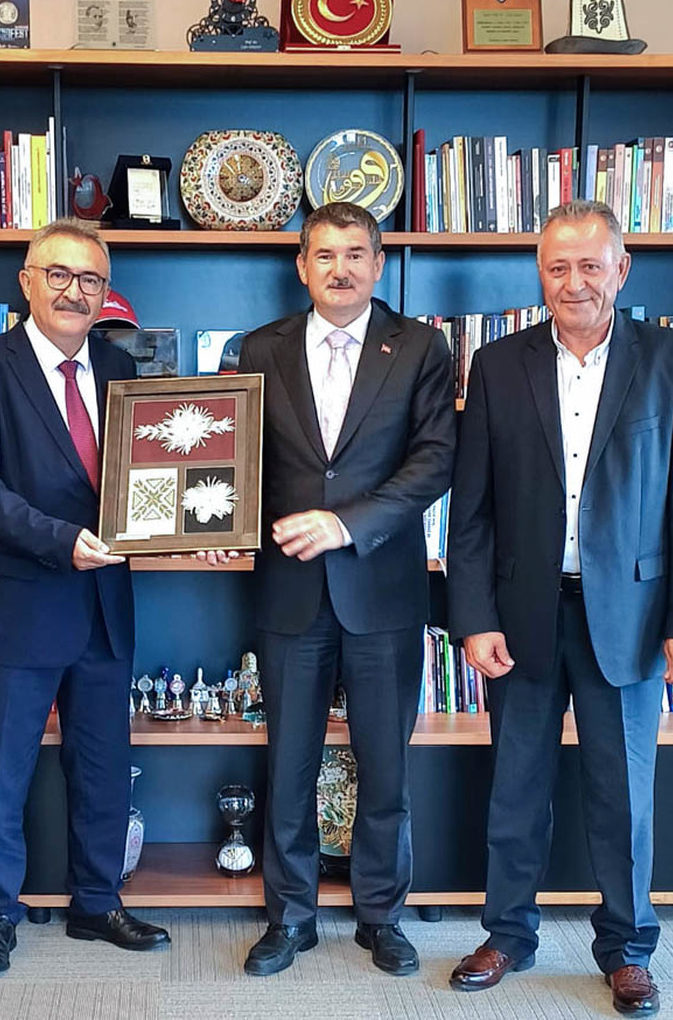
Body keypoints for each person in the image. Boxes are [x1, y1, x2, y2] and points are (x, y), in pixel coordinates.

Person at [445, 199, 673, 1014]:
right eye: (558, 267)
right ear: (541, 274)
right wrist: (473, 617)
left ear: (621, 270)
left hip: (631, 618)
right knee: (515, 791)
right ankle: (507, 935)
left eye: (590, 266)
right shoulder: (498, 364)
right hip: (521, 615)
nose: (574, 283)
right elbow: (472, 509)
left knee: (623, 797)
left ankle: (628, 950)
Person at [209, 202, 456, 977]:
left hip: (382, 590)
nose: (340, 269)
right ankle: (290, 918)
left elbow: (434, 461)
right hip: (289, 591)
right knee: (289, 765)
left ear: (378, 264)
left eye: (355, 254)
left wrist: (346, 524)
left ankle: (381, 917)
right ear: (302, 266)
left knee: (385, 767)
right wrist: (214, 521)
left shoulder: (421, 347)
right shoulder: (261, 348)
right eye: (325, 255)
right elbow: (236, 456)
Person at [0, 218, 170, 978]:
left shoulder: (121, 368)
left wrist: (196, 524)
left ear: (106, 293)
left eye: (91, 279)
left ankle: (97, 903)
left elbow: (151, 477)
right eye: (60, 274)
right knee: (2, 776)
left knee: (103, 767)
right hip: (18, 606)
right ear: (28, 281)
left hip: (104, 605)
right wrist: (60, 540)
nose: (75, 291)